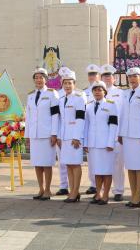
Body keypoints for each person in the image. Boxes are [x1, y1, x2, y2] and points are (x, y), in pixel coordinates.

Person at [118, 67, 140, 208]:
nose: (132, 79)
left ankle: (138, 196)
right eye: (130, 76)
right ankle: (133, 195)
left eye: (135, 76)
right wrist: (120, 133)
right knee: (131, 166)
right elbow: (122, 114)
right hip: (127, 135)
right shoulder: (125, 93)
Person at [26, 67, 60, 200]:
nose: (38, 80)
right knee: (37, 163)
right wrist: (27, 135)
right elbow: (28, 117)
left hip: (47, 134)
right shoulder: (30, 96)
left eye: (41, 77)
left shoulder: (52, 94)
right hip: (34, 134)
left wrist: (54, 134)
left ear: (46, 79)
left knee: (46, 163)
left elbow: (55, 115)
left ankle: (48, 189)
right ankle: (40, 188)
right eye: (36, 78)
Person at [84, 82, 118, 205]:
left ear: (105, 92)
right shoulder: (88, 105)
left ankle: (106, 195)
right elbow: (86, 125)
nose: (97, 92)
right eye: (95, 90)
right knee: (97, 170)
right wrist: (85, 142)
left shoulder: (111, 104)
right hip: (93, 144)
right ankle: (98, 194)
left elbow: (114, 124)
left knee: (106, 170)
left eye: (100, 90)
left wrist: (111, 143)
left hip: (105, 144)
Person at [57, 68, 85, 203]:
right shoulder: (62, 99)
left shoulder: (79, 99)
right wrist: (59, 136)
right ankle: (73, 191)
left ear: (74, 84)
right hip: (64, 137)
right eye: (65, 83)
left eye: (70, 83)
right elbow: (61, 120)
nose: (67, 86)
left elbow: (80, 119)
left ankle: (75, 191)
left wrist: (77, 137)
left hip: (74, 137)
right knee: (68, 164)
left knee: (75, 164)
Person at [99, 65, 126, 201]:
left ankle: (118, 190)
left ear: (114, 78)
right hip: (100, 135)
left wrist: (122, 133)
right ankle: (101, 191)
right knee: (101, 163)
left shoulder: (121, 93)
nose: (107, 78)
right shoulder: (96, 92)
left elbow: (124, 114)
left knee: (118, 164)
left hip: (116, 134)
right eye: (104, 76)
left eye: (109, 76)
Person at [83, 64, 101, 194]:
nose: (92, 76)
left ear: (98, 76)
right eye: (90, 74)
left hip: (102, 132)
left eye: (94, 74)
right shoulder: (84, 92)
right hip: (89, 130)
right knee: (91, 161)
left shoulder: (102, 90)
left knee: (103, 162)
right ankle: (93, 184)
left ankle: (106, 187)